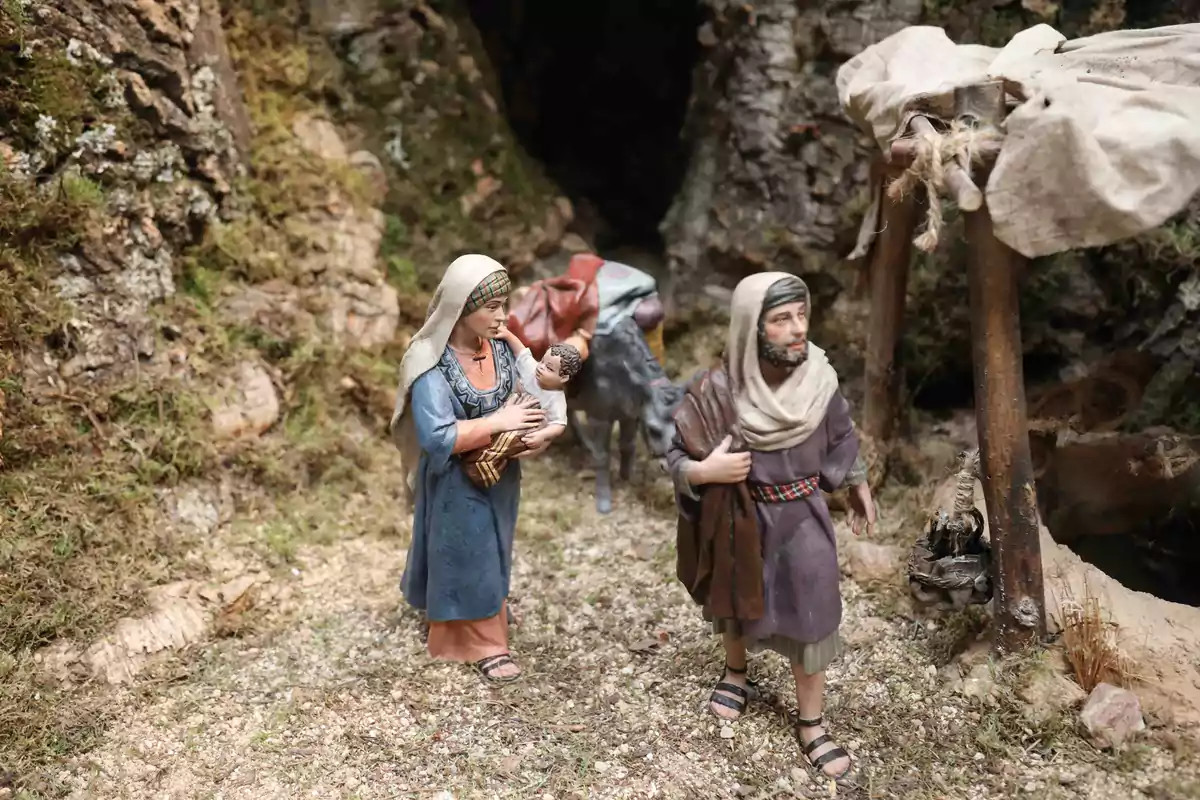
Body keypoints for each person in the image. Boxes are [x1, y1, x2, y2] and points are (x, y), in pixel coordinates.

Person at [666, 272, 877, 783]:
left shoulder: (820, 384)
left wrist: (858, 483)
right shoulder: (716, 391)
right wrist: (703, 471)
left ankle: (812, 721)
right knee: (734, 596)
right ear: (751, 328)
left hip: (801, 513)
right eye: (781, 319)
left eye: (801, 316)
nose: (797, 329)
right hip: (737, 513)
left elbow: (841, 435)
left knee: (812, 607)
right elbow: (676, 453)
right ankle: (736, 672)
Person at [389, 254, 552, 684]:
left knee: (496, 544)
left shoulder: (499, 350)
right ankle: (483, 640)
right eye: (492, 306)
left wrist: (532, 434)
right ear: (461, 307)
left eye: (504, 304)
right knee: (469, 549)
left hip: (500, 474)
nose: (503, 316)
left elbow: (527, 398)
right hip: (455, 480)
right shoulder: (430, 361)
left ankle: (482, 606)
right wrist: (499, 423)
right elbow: (438, 437)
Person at [495, 325, 582, 451]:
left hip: (521, 429)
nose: (541, 367)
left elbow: (558, 424)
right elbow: (521, 350)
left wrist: (541, 435)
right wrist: (507, 334)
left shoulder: (556, 399)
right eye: (542, 362)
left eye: (549, 368)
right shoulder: (531, 368)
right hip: (502, 411)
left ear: (563, 378)